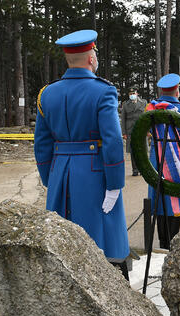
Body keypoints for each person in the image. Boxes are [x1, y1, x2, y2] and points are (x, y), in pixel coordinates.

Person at [34, 29, 129, 279]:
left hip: (60, 174)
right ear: (91, 58)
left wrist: (50, 179)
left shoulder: (47, 93)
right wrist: (115, 183)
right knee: (104, 243)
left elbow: (42, 144)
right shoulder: (103, 91)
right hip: (95, 175)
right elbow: (111, 141)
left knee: (62, 246)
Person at [148, 73, 180, 250]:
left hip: (156, 161)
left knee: (159, 199)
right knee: (176, 200)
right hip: (178, 160)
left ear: (161, 90)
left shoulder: (151, 108)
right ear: (177, 90)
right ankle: (172, 242)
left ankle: (163, 242)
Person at [120, 87, 147, 176]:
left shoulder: (144, 102)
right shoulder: (125, 105)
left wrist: (148, 129)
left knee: (142, 150)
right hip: (130, 130)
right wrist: (123, 133)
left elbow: (147, 116)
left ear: (137, 94)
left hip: (142, 129)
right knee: (133, 151)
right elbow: (123, 119)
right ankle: (135, 170)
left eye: (133, 93)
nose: (132, 95)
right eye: (130, 94)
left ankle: (143, 169)